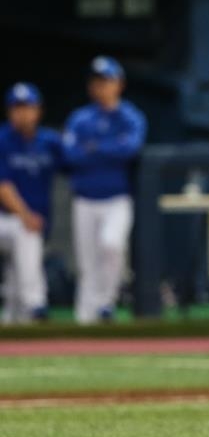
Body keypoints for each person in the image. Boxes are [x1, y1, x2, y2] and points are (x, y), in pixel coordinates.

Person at [64, 56, 147, 324]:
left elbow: (130, 149)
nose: (102, 87)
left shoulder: (130, 116)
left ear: (119, 84)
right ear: (91, 86)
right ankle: (85, 318)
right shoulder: (80, 118)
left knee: (111, 246)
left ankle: (105, 304)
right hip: (85, 199)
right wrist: (110, 148)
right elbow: (71, 155)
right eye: (98, 82)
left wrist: (95, 148)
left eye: (108, 81)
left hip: (117, 198)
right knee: (87, 263)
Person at [0, 83, 63, 323]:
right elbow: (3, 187)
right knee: (24, 233)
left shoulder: (49, 141)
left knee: (17, 275)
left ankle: (15, 322)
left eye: (28, 107)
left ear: (38, 110)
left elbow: (76, 162)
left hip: (30, 221)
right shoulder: (2, 139)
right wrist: (25, 215)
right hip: (6, 219)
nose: (23, 113)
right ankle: (36, 306)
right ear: (9, 111)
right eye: (17, 107)